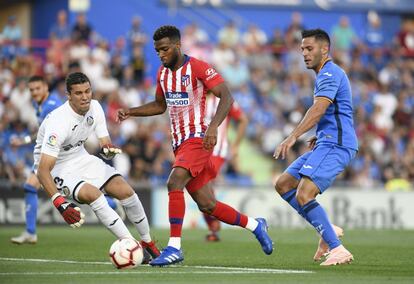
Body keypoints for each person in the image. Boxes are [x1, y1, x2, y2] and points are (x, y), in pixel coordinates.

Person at [117, 25, 273, 266]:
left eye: (165, 49)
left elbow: (227, 96)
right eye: (157, 50)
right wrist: (131, 111)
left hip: (198, 139)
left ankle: (174, 247)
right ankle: (255, 225)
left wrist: (212, 128)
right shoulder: (162, 74)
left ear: (178, 46)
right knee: (207, 204)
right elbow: (160, 106)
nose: (161, 54)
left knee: (174, 181)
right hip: (180, 143)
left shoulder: (198, 67)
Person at [33, 72, 160, 262]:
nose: (85, 97)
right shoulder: (58, 122)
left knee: (125, 189)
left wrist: (108, 149)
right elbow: (43, 170)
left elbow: (104, 142)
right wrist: (59, 203)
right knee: (93, 194)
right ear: (68, 96)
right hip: (56, 167)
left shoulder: (95, 107)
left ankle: (148, 243)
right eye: (78, 93)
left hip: (80, 157)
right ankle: (131, 246)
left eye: (87, 91)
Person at [274, 29, 358, 266]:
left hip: (337, 144)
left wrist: (293, 136)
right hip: (326, 141)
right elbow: (331, 112)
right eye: (302, 49)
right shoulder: (325, 74)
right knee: (283, 184)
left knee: (304, 193)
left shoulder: (329, 72)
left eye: (309, 48)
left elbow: (319, 108)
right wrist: (319, 133)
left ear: (325, 49)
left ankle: (338, 248)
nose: (304, 53)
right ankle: (327, 229)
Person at [11, 75, 63, 244]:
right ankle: (30, 232)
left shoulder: (52, 106)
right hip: (52, 151)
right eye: (31, 90)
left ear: (46, 87)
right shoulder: (38, 104)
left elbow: (52, 134)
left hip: (60, 152)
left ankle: (30, 232)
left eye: (37, 89)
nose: (34, 93)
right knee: (33, 186)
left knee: (70, 193)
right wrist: (24, 140)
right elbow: (42, 131)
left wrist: (24, 140)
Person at [203, 93, 248, 242]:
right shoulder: (195, 97)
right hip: (196, 151)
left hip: (217, 151)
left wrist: (235, 146)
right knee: (200, 190)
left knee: (203, 186)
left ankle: (214, 226)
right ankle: (213, 224)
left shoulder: (224, 100)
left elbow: (242, 120)